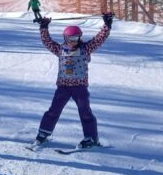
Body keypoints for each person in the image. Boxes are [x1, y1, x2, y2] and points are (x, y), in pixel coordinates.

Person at [31, 13, 114, 149]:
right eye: (70, 39)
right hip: (63, 88)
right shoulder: (59, 49)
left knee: (85, 112)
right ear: (65, 38)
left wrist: (107, 25)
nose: (73, 41)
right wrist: (44, 27)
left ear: (80, 38)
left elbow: (99, 39)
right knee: (53, 110)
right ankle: (43, 133)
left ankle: (91, 138)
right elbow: (47, 42)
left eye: (76, 38)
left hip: (80, 88)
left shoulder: (85, 48)